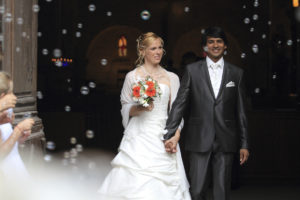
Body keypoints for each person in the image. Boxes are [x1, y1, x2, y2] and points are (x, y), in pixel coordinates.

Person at [98, 32, 191, 199]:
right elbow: (125, 107)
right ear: (142, 51)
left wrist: (175, 136)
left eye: (160, 48)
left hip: (164, 134)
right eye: (153, 48)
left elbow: (177, 112)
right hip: (139, 136)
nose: (158, 52)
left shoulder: (172, 78)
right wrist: (140, 107)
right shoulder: (132, 77)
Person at [163, 27, 250, 200]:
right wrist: (169, 133)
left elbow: (241, 112)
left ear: (225, 46)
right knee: (197, 190)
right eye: (211, 41)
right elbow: (180, 103)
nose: (215, 45)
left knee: (221, 192)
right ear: (204, 47)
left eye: (219, 41)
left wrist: (244, 143)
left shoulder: (236, 73)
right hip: (199, 136)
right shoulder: (192, 70)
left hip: (226, 138)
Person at [0, 72, 35, 181]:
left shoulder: (4, 116)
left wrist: (18, 139)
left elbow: (5, 144)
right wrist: (18, 130)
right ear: (2, 95)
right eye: (10, 92)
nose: (14, 97)